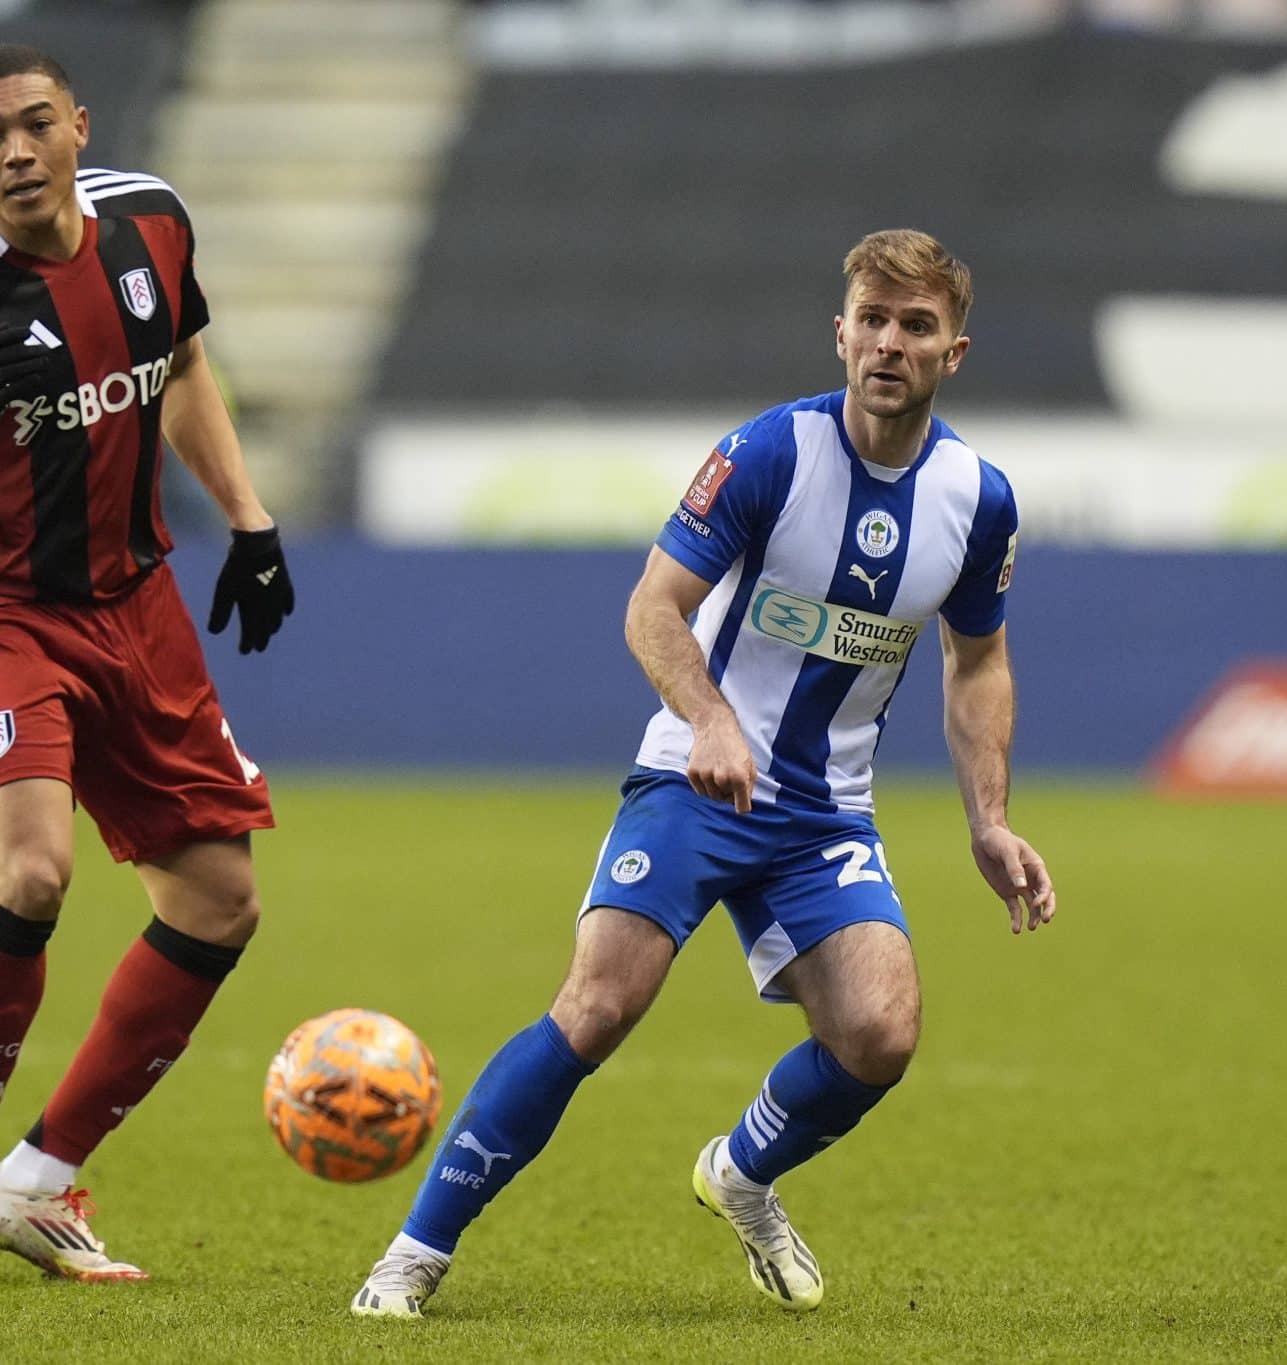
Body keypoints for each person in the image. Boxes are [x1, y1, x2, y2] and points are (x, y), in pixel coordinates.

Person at [351, 229, 1056, 1318]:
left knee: (879, 1036)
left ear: (951, 352)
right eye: (871, 318)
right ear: (840, 331)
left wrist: (988, 820)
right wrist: (711, 721)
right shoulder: (768, 453)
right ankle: (413, 1254)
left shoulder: (978, 499)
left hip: (825, 813)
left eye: (914, 326)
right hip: (695, 781)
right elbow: (651, 606)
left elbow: (977, 664)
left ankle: (739, 1172)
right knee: (596, 1005)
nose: (887, 343)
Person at [0, 43, 295, 1285]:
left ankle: (40, 1183)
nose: (17, 150)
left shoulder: (153, 224)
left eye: (37, 124)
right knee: (33, 875)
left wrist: (246, 521)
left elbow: (184, 366)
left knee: (219, 902)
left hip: (136, 603)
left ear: (79, 128)